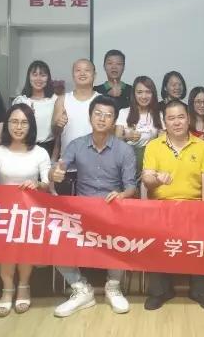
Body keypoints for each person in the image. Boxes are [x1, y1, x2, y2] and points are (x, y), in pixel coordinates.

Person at [49, 95, 136, 316]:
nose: (102, 118)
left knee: (124, 235)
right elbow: (58, 168)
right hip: (82, 212)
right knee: (54, 236)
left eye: (108, 115)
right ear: (90, 117)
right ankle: (80, 289)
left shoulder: (124, 150)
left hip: (112, 210)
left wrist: (121, 195)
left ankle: (113, 286)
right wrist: (54, 174)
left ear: (114, 121)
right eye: (98, 114)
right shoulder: (77, 145)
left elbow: (131, 187)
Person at [0, 103, 51, 317]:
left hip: (31, 213)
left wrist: (37, 184)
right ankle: (7, 290)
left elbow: (47, 184)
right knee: (6, 247)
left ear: (31, 126)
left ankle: (24, 286)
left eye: (24, 123)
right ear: (7, 125)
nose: (19, 127)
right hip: (4, 212)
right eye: (14, 122)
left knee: (25, 245)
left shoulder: (40, 152)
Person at [141, 100, 204, 311]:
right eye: (171, 118)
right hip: (161, 208)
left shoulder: (201, 146)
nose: (176, 122)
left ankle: (200, 291)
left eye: (181, 117)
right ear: (164, 122)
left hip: (193, 207)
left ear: (188, 118)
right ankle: (160, 291)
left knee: (202, 240)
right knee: (155, 240)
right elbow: (147, 179)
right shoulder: (154, 146)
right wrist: (157, 179)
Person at [52, 58, 99, 194]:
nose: (82, 73)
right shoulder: (62, 100)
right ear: (73, 75)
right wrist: (58, 124)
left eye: (87, 70)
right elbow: (54, 132)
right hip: (67, 166)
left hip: (95, 167)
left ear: (94, 75)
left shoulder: (101, 100)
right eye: (78, 70)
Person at [115, 76, 164, 179]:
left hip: (150, 163)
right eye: (139, 92)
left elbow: (162, 143)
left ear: (153, 94)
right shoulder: (124, 112)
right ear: (134, 94)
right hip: (126, 163)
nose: (144, 96)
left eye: (148, 92)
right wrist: (126, 137)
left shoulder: (159, 115)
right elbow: (116, 140)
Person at [13, 60, 58, 158]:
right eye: (34, 74)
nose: (38, 79)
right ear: (29, 77)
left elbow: (59, 133)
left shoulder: (55, 100)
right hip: (24, 148)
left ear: (48, 78)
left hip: (48, 148)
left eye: (43, 75)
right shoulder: (21, 100)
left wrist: (54, 157)